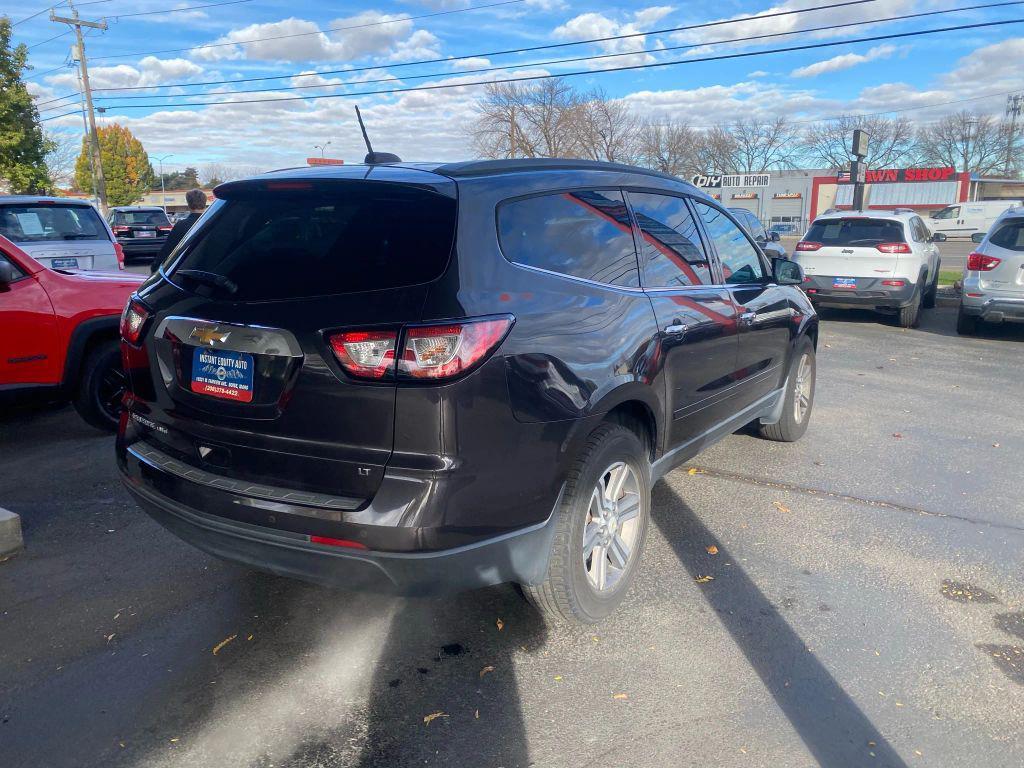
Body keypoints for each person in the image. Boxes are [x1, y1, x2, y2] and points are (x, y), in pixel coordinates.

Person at [151, 188, 207, 273]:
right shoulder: (215, 223)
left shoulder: (181, 226)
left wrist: (155, 267)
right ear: (205, 203)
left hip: (187, 270)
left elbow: (168, 249)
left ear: (188, 203)